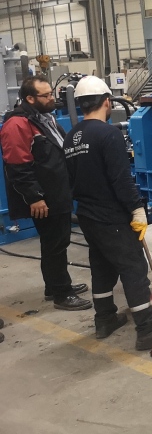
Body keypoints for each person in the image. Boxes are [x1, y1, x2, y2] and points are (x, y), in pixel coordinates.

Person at [63, 76, 152, 350]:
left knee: (101, 265)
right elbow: (121, 179)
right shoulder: (108, 134)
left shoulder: (71, 137)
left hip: (87, 214)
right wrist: (136, 209)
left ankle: (105, 318)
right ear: (107, 101)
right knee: (133, 267)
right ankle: (147, 328)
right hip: (111, 215)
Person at [0, 75, 91, 310]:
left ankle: (54, 286)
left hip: (57, 192)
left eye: (51, 93)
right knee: (54, 243)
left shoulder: (44, 118)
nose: (52, 98)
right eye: (46, 95)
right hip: (45, 197)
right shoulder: (17, 124)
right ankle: (62, 294)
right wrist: (35, 197)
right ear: (30, 98)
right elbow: (17, 166)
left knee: (58, 241)